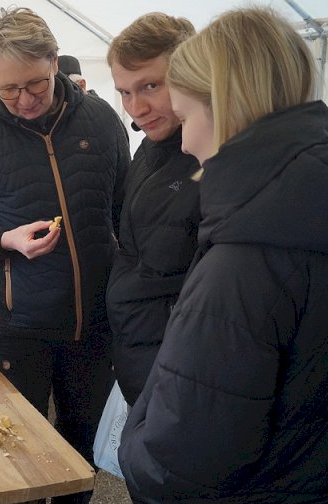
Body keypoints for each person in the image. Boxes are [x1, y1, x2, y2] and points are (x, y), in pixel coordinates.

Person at [118, 8, 328, 504]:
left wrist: (133, 447)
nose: (184, 143)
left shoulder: (246, 259)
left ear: (225, 107)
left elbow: (186, 454)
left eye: (187, 119)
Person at [0, 7, 129, 504]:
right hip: (16, 326)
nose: (24, 99)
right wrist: (4, 240)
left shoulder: (102, 120)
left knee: (81, 432)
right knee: (17, 439)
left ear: (55, 63)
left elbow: (126, 212)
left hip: (93, 320)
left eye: (36, 84)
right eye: (9, 89)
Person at [104, 13, 200, 406]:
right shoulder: (150, 145)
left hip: (179, 365)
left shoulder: (210, 155)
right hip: (138, 348)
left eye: (150, 86)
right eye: (125, 92)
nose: (136, 108)